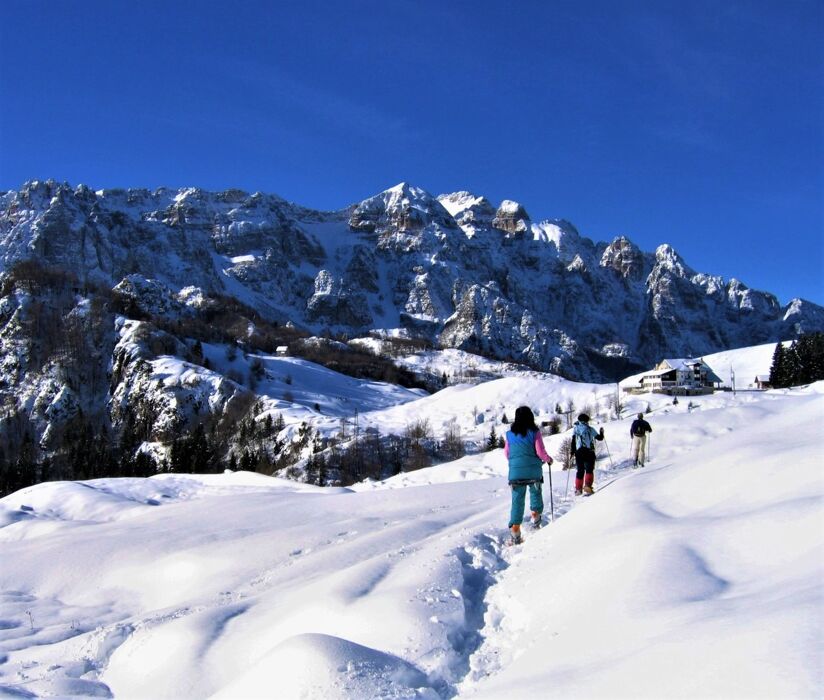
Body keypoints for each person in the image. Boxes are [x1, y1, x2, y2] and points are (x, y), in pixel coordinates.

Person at [505, 406, 553, 545]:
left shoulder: (509, 434)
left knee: (517, 500)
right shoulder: (535, 432)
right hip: (533, 471)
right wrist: (548, 459)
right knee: (535, 492)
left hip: (516, 473)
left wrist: (516, 463)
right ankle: (536, 516)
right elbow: (540, 452)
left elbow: (507, 454)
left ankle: (515, 529)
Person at [572, 413, 604, 496]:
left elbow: (573, 441)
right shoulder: (590, 429)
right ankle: (587, 486)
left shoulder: (575, 429)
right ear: (587, 421)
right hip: (588, 452)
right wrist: (601, 432)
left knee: (580, 470)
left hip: (579, 452)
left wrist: (572, 452)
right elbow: (600, 438)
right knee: (589, 469)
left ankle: (578, 489)